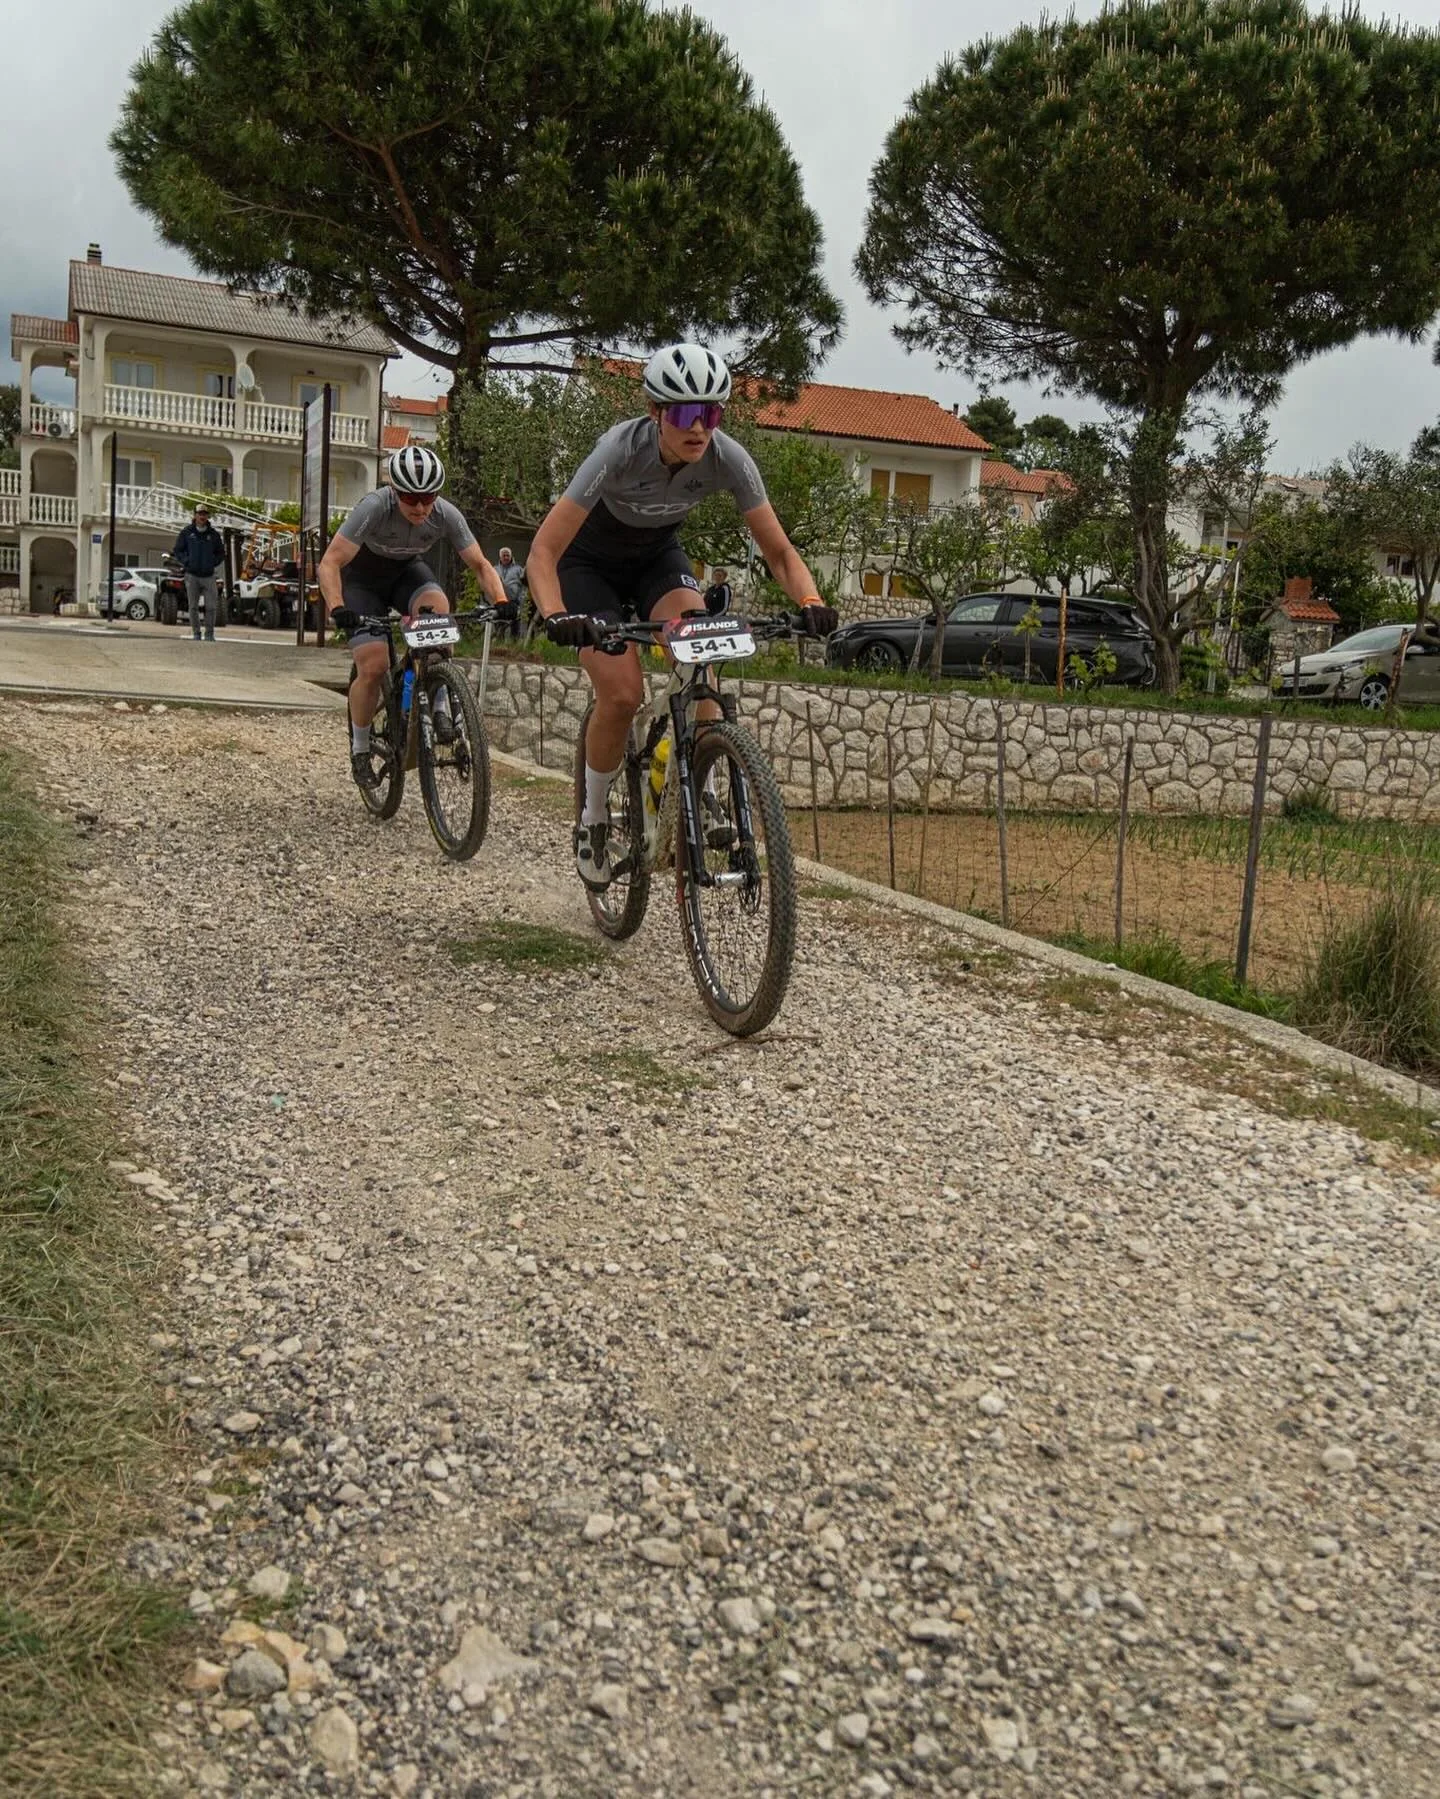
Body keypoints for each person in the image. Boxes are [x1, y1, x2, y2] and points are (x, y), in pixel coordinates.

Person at [526, 343, 838, 890]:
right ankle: (593, 819)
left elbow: (781, 554)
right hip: (588, 564)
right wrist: (554, 614)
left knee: (705, 656)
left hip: (656, 559)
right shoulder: (617, 452)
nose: (700, 429)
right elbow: (544, 553)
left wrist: (810, 602)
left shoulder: (728, 458)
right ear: (655, 412)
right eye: (687, 415)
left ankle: (703, 785)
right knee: (621, 694)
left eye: (712, 414)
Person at [318, 446, 507, 784]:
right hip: (362, 583)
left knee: (439, 617)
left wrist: (502, 601)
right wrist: (337, 607)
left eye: (428, 497)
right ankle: (361, 750)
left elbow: (480, 564)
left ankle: (439, 705)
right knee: (374, 666)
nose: (420, 507)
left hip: (407, 575)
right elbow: (331, 562)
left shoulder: (445, 513)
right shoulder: (374, 507)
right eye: (410, 498)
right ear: (395, 492)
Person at [171, 504, 226, 641]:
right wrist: (187, 561)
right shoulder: (186, 533)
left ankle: (209, 634)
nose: (202, 517)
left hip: (208, 576)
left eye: (205, 514)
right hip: (192, 575)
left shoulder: (213, 535)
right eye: (200, 514)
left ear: (207, 516)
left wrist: (212, 561)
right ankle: (196, 633)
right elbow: (178, 550)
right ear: (195, 515)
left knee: (211, 607)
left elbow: (220, 553)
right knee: (193, 607)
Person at [495, 546, 526, 638]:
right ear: (500, 557)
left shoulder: (518, 569)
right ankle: (499, 643)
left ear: (511, 556)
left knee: (515, 625)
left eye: (507, 555)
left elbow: (523, 585)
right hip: (499, 600)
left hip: (514, 601)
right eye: (503, 555)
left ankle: (514, 643)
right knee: (499, 624)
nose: (506, 557)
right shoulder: (495, 569)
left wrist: (522, 600)